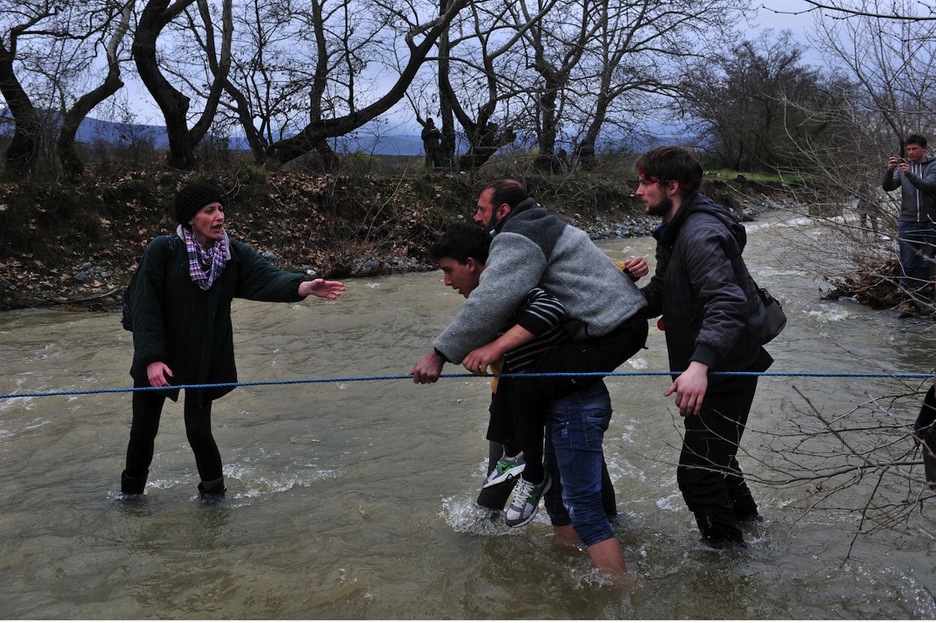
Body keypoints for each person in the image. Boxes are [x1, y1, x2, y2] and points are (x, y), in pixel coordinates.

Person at [410, 179, 648, 576]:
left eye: (482, 209)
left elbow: (502, 299)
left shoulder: (516, 238)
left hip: (612, 330)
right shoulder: (539, 229)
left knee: (531, 391)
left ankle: (525, 484)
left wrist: (442, 353)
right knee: (552, 439)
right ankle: (549, 498)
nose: (477, 216)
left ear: (503, 211)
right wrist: (625, 269)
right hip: (611, 330)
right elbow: (575, 276)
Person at [120, 179, 345, 500]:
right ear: (190, 218)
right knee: (143, 430)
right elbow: (145, 307)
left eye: (221, 209)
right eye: (209, 210)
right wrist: (151, 358)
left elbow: (266, 277)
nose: (219, 216)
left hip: (204, 359)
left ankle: (214, 502)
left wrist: (304, 287)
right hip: (158, 357)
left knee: (198, 431)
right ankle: (130, 499)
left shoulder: (231, 255)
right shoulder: (163, 250)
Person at [429, 223, 635, 527]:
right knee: (508, 460)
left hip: (555, 385)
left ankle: (606, 524)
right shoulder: (490, 289)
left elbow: (562, 281)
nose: (447, 282)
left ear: (471, 264)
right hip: (512, 392)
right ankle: (484, 529)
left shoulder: (515, 281)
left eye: (448, 271)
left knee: (566, 465)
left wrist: (624, 270)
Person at [635, 146, 774, 549]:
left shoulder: (698, 234)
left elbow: (727, 303)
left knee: (696, 473)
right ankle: (750, 527)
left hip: (726, 368)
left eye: (645, 182)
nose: (639, 191)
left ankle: (727, 562)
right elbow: (662, 291)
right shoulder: (675, 228)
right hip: (719, 364)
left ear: (671, 186)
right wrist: (617, 297)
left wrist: (699, 365)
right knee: (716, 460)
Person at [882, 134, 936, 315]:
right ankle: (905, 301)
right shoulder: (903, 168)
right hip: (907, 221)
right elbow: (888, 187)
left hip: (930, 222)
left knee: (924, 263)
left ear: (924, 149)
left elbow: (928, 185)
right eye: (908, 149)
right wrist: (889, 171)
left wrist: (909, 174)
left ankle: (922, 299)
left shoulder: (933, 166)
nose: (911, 152)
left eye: (914, 149)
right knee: (907, 262)